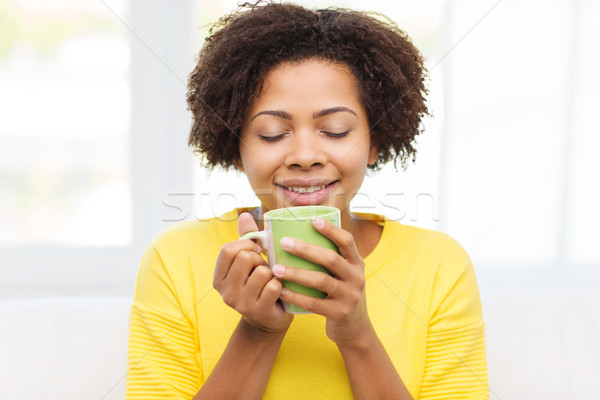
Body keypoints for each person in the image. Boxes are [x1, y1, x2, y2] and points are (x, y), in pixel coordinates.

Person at [126, 2, 488, 399]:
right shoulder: (176, 259)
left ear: (375, 142)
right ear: (234, 146)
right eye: (270, 133)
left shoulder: (438, 266)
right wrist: (258, 331)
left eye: (334, 130)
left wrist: (358, 336)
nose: (305, 154)